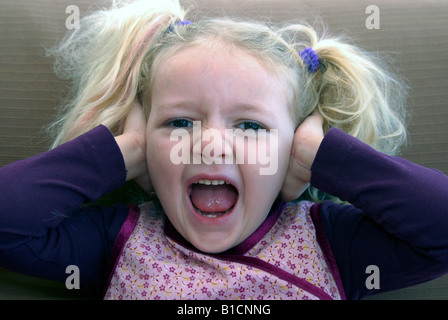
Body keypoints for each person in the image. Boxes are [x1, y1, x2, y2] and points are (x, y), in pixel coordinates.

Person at [1, 0, 448, 300]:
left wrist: (317, 156)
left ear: (291, 150)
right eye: (179, 122)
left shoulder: (330, 240)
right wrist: (126, 151)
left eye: (250, 126)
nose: (211, 144)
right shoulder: (116, 238)